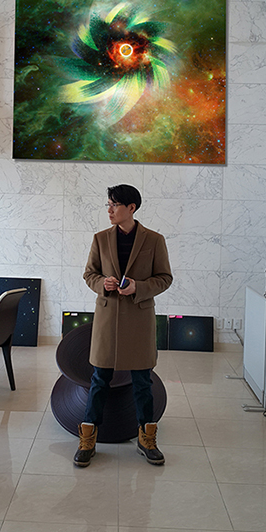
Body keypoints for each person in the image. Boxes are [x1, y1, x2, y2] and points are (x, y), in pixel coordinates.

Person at [73, 184, 173, 468]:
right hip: (108, 319)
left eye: (114, 205)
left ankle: (146, 439)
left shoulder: (154, 240)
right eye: (108, 204)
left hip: (139, 320)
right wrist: (102, 283)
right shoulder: (100, 239)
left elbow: (164, 278)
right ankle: (88, 439)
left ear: (131, 208)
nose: (109, 210)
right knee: (99, 379)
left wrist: (138, 287)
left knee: (142, 382)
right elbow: (89, 273)